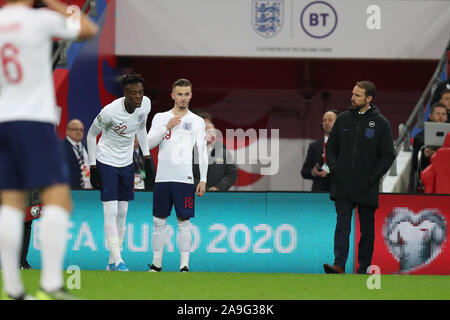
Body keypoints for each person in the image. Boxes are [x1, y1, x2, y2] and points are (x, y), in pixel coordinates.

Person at [0, 0, 98, 300]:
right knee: (58, 199)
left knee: (11, 204)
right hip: (34, 120)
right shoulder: (39, 19)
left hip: (3, 120)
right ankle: (51, 285)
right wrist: (56, 4)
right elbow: (88, 28)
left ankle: (14, 289)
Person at [323, 81, 396, 275]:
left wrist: (373, 177)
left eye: (357, 95)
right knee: (342, 226)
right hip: (342, 185)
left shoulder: (381, 123)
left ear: (369, 99)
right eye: (352, 94)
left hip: (367, 186)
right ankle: (338, 265)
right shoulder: (344, 119)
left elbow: (388, 155)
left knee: (367, 231)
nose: (352, 98)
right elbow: (330, 148)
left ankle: (363, 268)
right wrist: (335, 168)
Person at [87, 73, 151, 272]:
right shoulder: (109, 112)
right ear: (125, 94)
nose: (138, 97)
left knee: (123, 211)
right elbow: (91, 135)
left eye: (140, 92)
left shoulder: (145, 105)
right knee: (111, 210)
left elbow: (141, 127)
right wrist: (93, 166)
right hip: (106, 161)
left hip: (126, 163)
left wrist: (147, 156)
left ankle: (111, 262)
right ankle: (119, 260)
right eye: (133, 93)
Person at [147, 78, 208, 272]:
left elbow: (202, 151)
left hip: (185, 179)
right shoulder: (160, 117)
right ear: (172, 95)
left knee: (184, 222)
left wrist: (204, 179)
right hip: (163, 177)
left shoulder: (197, 121)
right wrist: (166, 128)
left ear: (191, 95)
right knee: (159, 221)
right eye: (179, 94)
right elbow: (148, 145)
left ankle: (184, 266)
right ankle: (156, 265)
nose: (183, 98)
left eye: (186, 94)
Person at [192, 114, 238, 191]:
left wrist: (218, 188)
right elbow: (187, 174)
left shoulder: (224, 152)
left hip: (218, 195)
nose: (212, 134)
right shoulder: (190, 151)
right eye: (208, 131)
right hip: (196, 193)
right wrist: (203, 188)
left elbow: (231, 174)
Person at [411, 102, 448, 192]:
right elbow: (415, 165)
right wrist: (424, 156)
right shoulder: (419, 138)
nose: (441, 116)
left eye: (443, 114)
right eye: (438, 113)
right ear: (431, 116)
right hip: (428, 178)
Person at [301, 109, 339, 191]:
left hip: (338, 192)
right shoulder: (314, 146)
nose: (326, 123)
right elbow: (304, 172)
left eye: (330, 120)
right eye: (324, 120)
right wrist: (313, 172)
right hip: (318, 192)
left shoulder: (344, 145)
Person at [63, 119, 92, 189]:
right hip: (71, 191)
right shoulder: (60, 147)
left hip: (90, 191)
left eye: (81, 130)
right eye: (75, 129)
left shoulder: (88, 148)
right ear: (67, 131)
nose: (78, 132)